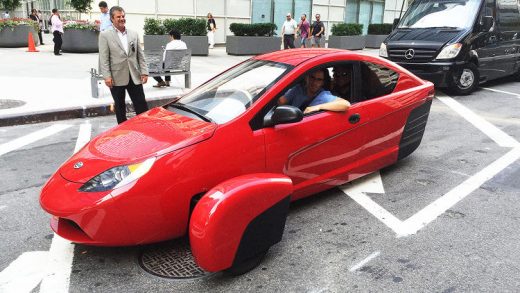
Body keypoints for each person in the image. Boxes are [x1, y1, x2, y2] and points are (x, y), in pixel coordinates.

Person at [99, 6, 149, 124]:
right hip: (116, 77)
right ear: (112, 19)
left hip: (134, 75)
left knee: (141, 104)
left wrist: (144, 72)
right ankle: (122, 130)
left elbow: (140, 55)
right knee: (120, 106)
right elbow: (104, 58)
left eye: (123, 16)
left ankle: (145, 126)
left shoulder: (133, 34)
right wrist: (107, 76)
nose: (122, 18)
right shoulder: (105, 35)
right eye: (118, 17)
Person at [278, 68, 350, 114]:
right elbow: (281, 101)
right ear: (307, 77)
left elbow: (345, 104)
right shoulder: (298, 89)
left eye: (319, 80)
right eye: (312, 77)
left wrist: (318, 107)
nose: (314, 82)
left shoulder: (323, 95)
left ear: (323, 82)